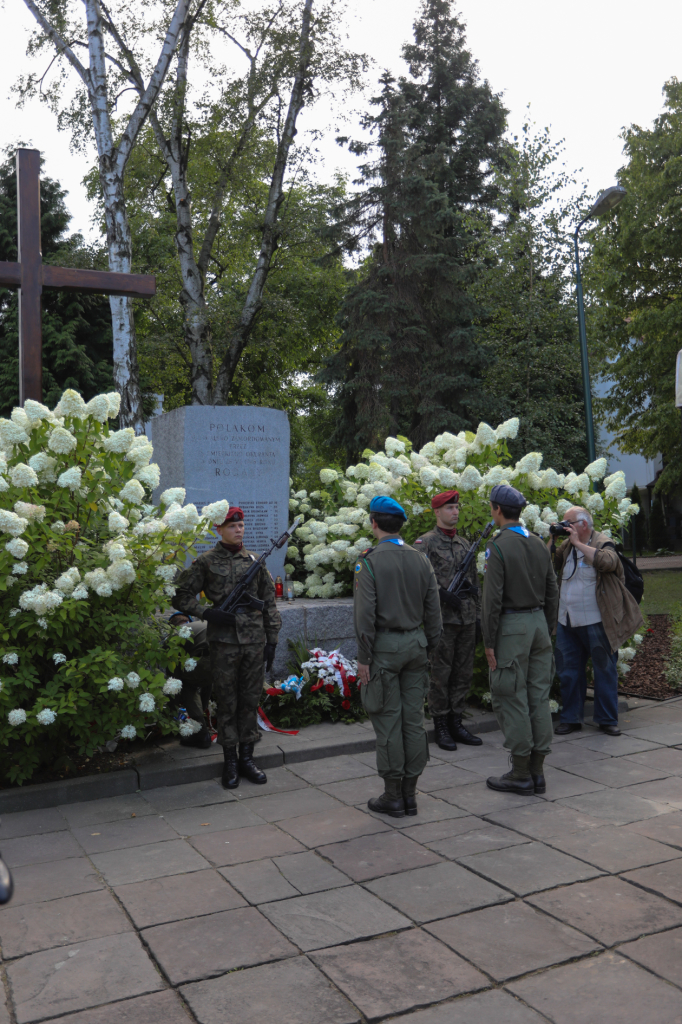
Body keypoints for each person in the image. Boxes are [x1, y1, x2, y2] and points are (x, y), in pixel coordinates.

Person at [174, 505, 281, 789]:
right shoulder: (206, 562)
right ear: (218, 529)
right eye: (232, 526)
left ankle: (248, 758)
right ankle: (230, 761)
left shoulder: (256, 561)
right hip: (223, 644)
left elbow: (268, 602)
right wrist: (207, 613)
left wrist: (272, 640)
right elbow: (181, 596)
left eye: (241, 525)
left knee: (249, 701)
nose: (239, 530)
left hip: (254, 643)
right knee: (227, 702)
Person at [354, 495, 442, 818]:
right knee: (413, 722)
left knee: (388, 721)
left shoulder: (370, 561)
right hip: (416, 646)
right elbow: (434, 612)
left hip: (384, 651)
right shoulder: (420, 559)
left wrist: (364, 658)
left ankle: (393, 796)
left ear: (374, 523)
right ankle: (411, 794)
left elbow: (365, 616)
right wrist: (428, 645)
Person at [482, 484, 559, 795]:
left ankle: (521, 773)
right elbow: (552, 589)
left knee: (510, 696)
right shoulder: (539, 543)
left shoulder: (498, 546)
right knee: (538, 697)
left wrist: (489, 641)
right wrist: (548, 627)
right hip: (539, 623)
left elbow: (492, 600)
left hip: (512, 628)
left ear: (497, 510)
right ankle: (538, 772)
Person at [552, 506, 643, 737]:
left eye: (568, 522)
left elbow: (608, 563)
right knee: (568, 671)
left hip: (597, 621)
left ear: (583, 524)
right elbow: (549, 561)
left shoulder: (603, 542)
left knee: (604, 670)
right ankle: (571, 718)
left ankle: (607, 719)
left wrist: (579, 544)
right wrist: (554, 538)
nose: (565, 526)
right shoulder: (566, 546)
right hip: (567, 621)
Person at [415, 489, 482, 750]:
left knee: (463, 674)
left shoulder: (465, 544)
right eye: (450, 508)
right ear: (437, 512)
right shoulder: (425, 543)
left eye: (457, 507)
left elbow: (475, 585)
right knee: (440, 675)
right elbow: (419, 582)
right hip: (441, 621)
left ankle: (456, 721)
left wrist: (476, 618)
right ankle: (441, 724)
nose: (455, 512)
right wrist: (441, 594)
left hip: (465, 620)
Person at [164, 611, 213, 749]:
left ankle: (201, 734)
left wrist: (170, 714)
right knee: (208, 677)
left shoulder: (173, 639)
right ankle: (247, 730)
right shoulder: (200, 625)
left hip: (208, 658)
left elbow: (174, 683)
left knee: (185, 684)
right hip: (236, 650)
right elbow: (208, 682)